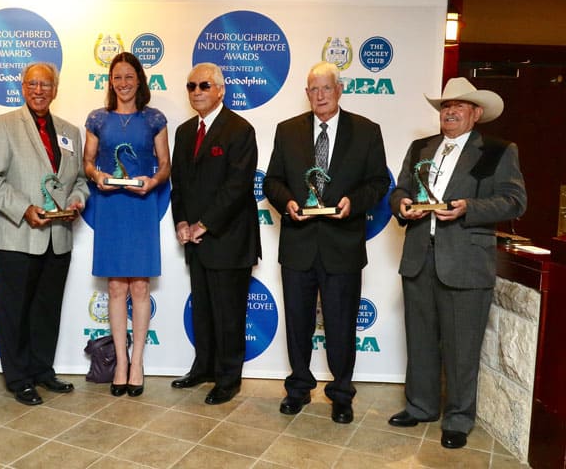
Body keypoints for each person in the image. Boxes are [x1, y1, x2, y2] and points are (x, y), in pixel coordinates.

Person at [388, 77, 526, 449]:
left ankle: (459, 418)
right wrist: (401, 205)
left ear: (476, 113)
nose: (450, 111)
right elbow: (400, 187)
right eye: (445, 105)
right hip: (419, 257)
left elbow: (515, 200)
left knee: (462, 345)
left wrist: (469, 209)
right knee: (420, 340)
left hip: (465, 262)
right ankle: (420, 406)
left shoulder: (497, 150)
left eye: (459, 106)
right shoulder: (421, 147)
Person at [263, 61, 389, 423]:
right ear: (307, 94)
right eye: (313, 89)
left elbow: (379, 182)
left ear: (339, 90)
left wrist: (353, 204)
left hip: (342, 245)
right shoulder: (287, 131)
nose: (319, 95)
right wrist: (286, 202)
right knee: (298, 323)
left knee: (341, 323)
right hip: (299, 244)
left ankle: (341, 394)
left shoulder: (366, 131)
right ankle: (298, 388)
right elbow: (272, 180)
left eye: (326, 88)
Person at [0, 62, 89, 406]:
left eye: (46, 84)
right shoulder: (3, 126)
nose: (39, 90)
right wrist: (24, 209)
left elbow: (80, 180)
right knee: (16, 311)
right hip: (19, 234)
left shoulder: (70, 130)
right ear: (22, 87)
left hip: (59, 235)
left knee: (46, 309)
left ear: (56, 89)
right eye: (33, 84)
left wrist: (77, 200)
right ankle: (18, 378)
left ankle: (43, 370)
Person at [170, 62, 260, 405]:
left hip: (229, 239)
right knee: (203, 310)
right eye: (191, 86)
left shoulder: (240, 129)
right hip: (195, 240)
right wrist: (181, 223)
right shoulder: (183, 132)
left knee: (228, 313)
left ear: (220, 90)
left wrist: (203, 224)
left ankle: (227, 378)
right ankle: (203, 367)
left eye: (204, 85)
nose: (196, 91)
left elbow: (236, 188)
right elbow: (180, 185)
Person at [83, 53, 170, 397]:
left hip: (141, 205)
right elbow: (88, 163)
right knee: (116, 287)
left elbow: (165, 165)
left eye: (129, 76)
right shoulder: (97, 119)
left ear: (139, 80)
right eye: (117, 77)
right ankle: (120, 362)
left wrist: (153, 181)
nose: (123, 83)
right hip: (111, 205)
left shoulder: (154, 119)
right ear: (111, 81)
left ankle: (138, 362)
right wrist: (97, 175)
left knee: (140, 288)